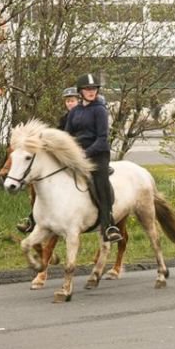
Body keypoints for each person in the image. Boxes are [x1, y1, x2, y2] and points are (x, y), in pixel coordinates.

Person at [15, 86, 81, 233]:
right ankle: (32, 219)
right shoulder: (65, 118)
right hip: (64, 155)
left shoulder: (83, 116)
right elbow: (59, 134)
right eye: (68, 101)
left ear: (78, 101)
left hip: (78, 156)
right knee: (38, 182)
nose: (70, 103)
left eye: (72, 101)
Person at [65, 73, 123, 242]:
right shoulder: (74, 111)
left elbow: (102, 138)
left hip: (98, 153)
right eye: (87, 89)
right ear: (80, 91)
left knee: (101, 184)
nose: (91, 92)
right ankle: (34, 217)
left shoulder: (100, 110)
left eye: (94, 89)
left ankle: (109, 225)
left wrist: (84, 153)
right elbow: (68, 135)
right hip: (77, 154)